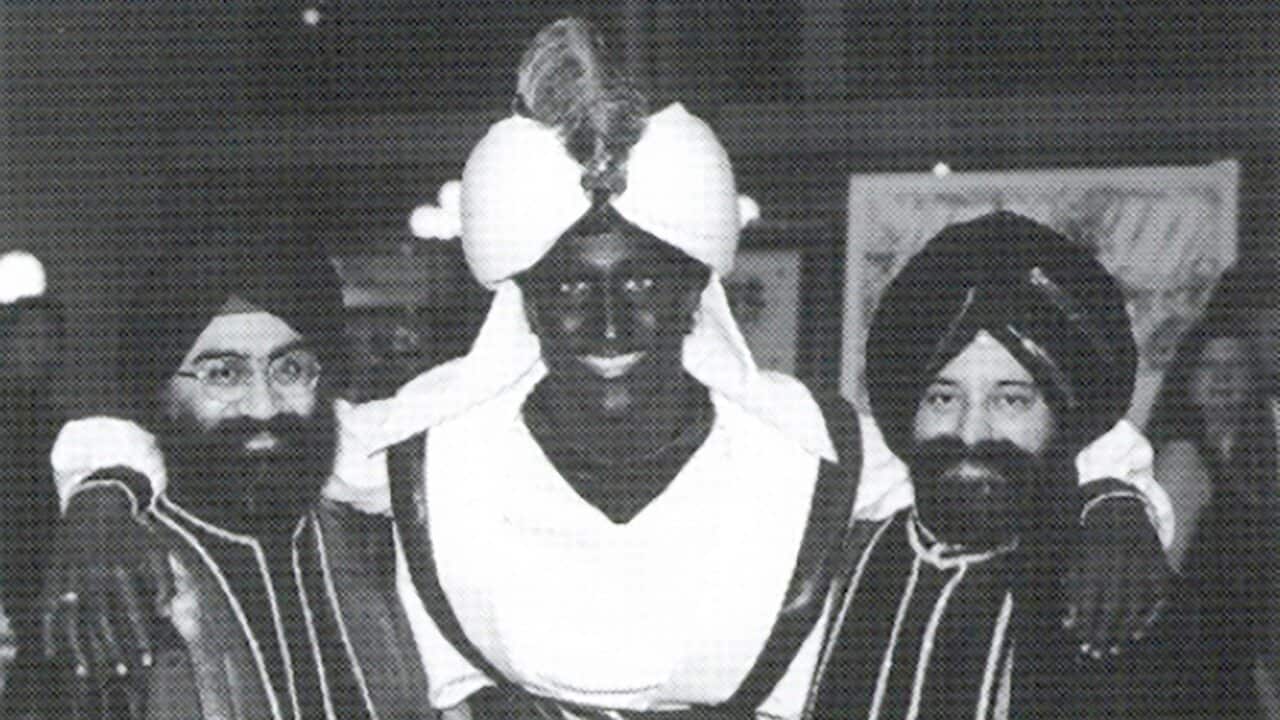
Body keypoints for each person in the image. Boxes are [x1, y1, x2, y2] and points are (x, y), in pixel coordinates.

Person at [43, 18, 1172, 720]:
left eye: (644, 280)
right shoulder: (430, 438)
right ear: (523, 297)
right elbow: (245, 421)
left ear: (695, 289)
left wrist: (1120, 504)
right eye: (567, 284)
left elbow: (1007, 427)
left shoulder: (806, 441)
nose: (606, 312)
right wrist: (98, 493)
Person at [42, 231, 432, 718]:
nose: (264, 407)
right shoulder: (122, 578)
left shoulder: (376, 535)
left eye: (290, 369)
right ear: (158, 392)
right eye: (223, 374)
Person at [805, 211, 1167, 718]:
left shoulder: (1112, 599)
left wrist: (1118, 501)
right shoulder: (837, 562)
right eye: (941, 398)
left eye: (1011, 400)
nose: (971, 434)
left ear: (1065, 417)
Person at [1146, 298, 1272, 719]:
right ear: (1186, 378)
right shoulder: (1183, 456)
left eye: (1234, 367)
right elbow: (1156, 581)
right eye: (1207, 367)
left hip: (1238, 660)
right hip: (1191, 669)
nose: (1222, 378)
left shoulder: (1253, 459)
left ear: (1253, 379)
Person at [0, 296, 67, 717]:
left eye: (49, 340)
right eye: (29, 337)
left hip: (41, 584)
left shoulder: (59, 427)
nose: (39, 350)